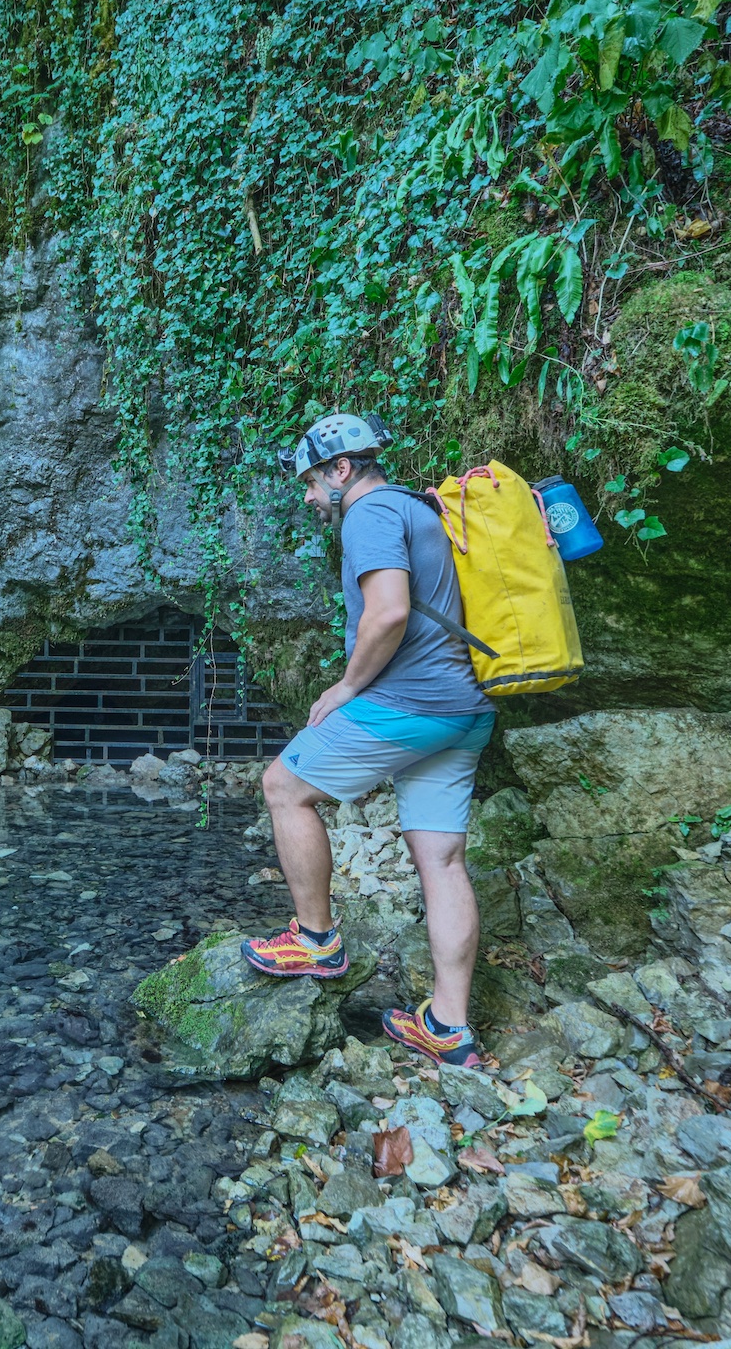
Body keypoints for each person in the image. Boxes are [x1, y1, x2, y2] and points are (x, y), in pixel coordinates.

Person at [240, 413, 497, 1068]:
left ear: (342, 470)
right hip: (465, 709)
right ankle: (448, 1027)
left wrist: (347, 687)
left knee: (283, 786)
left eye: (311, 482)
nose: (308, 497)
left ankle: (316, 940)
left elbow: (388, 612)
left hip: (410, 704)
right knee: (441, 861)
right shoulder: (418, 509)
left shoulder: (370, 514)